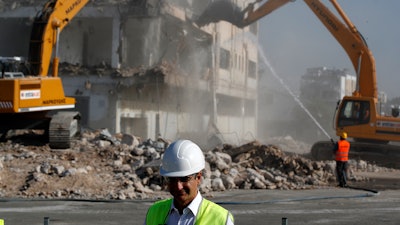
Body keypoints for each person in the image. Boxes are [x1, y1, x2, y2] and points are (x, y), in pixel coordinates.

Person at [144, 139, 234, 225]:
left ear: (198, 178)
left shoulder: (220, 219)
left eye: (184, 179)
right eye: (171, 179)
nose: (178, 186)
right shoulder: (154, 212)